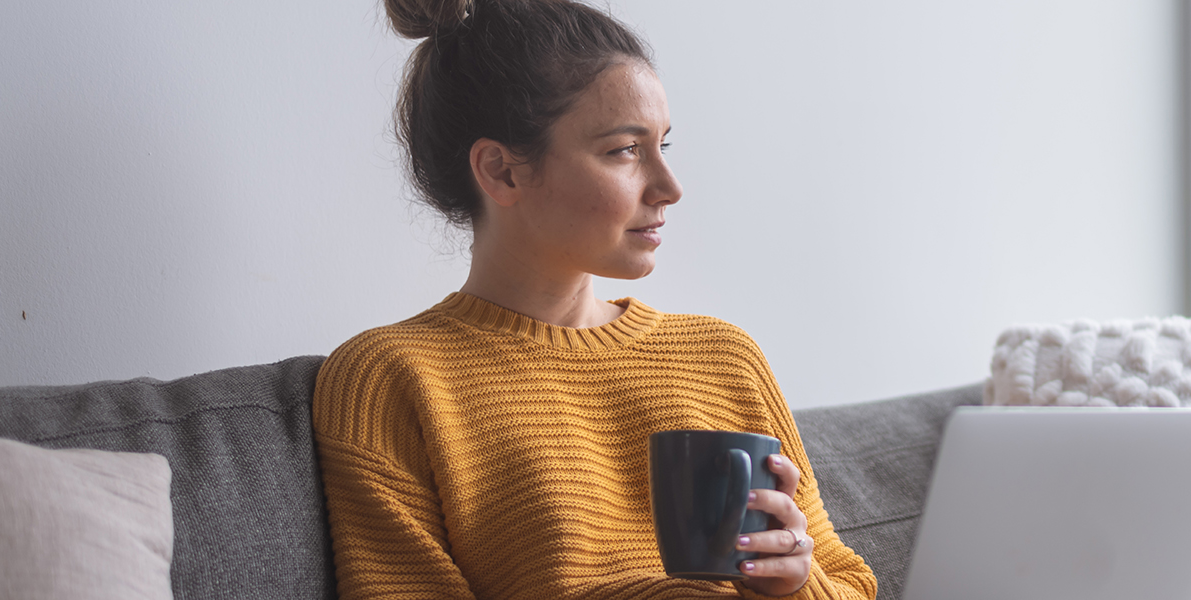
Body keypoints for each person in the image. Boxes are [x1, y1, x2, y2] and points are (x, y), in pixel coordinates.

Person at [311, 0, 877, 597]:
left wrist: (792, 584)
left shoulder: (725, 358)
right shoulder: (390, 380)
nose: (670, 188)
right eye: (625, 151)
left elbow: (853, 584)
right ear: (501, 171)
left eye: (664, 145)